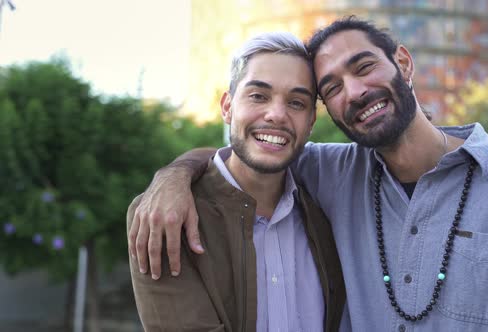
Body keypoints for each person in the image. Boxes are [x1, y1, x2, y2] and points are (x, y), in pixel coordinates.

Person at [129, 17, 488, 331]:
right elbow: (251, 148)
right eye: (331, 87)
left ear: (403, 64)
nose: (354, 91)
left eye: (364, 66)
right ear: (326, 112)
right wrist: (172, 175)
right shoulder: (332, 174)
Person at [127, 32, 346, 332]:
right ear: (228, 106)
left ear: (310, 122)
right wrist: (176, 174)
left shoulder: (326, 212)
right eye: (258, 96)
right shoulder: (166, 216)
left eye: (296, 103)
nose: (276, 115)